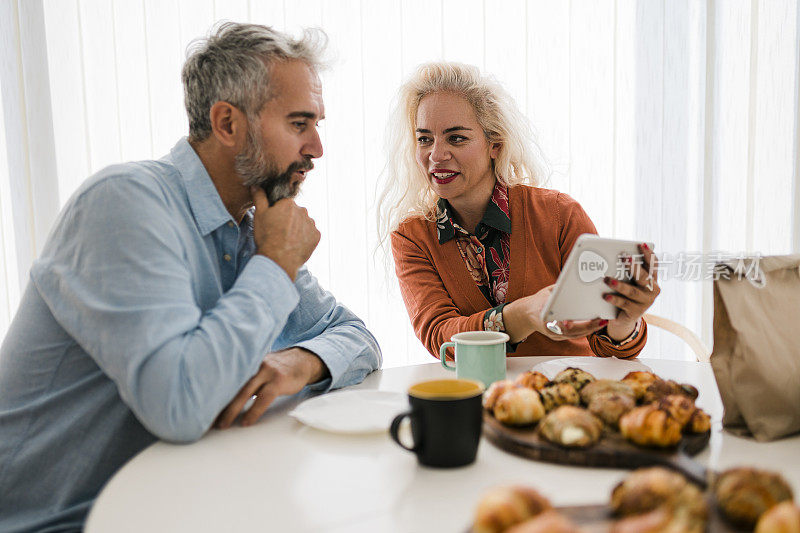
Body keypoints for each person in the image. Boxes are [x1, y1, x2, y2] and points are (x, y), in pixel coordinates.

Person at [0, 22, 381, 532]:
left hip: (175, 508)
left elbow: (358, 337)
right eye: (298, 123)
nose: (317, 147)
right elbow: (179, 406)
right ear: (227, 122)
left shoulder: (252, 227)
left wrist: (303, 360)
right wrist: (274, 266)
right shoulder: (124, 204)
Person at [378, 62, 659, 360]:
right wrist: (522, 315)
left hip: (568, 394)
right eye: (424, 139)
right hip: (480, 398)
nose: (436, 155)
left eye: (456, 138)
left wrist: (623, 321)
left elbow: (609, 347)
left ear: (494, 144)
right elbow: (440, 337)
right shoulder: (412, 237)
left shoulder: (559, 215)